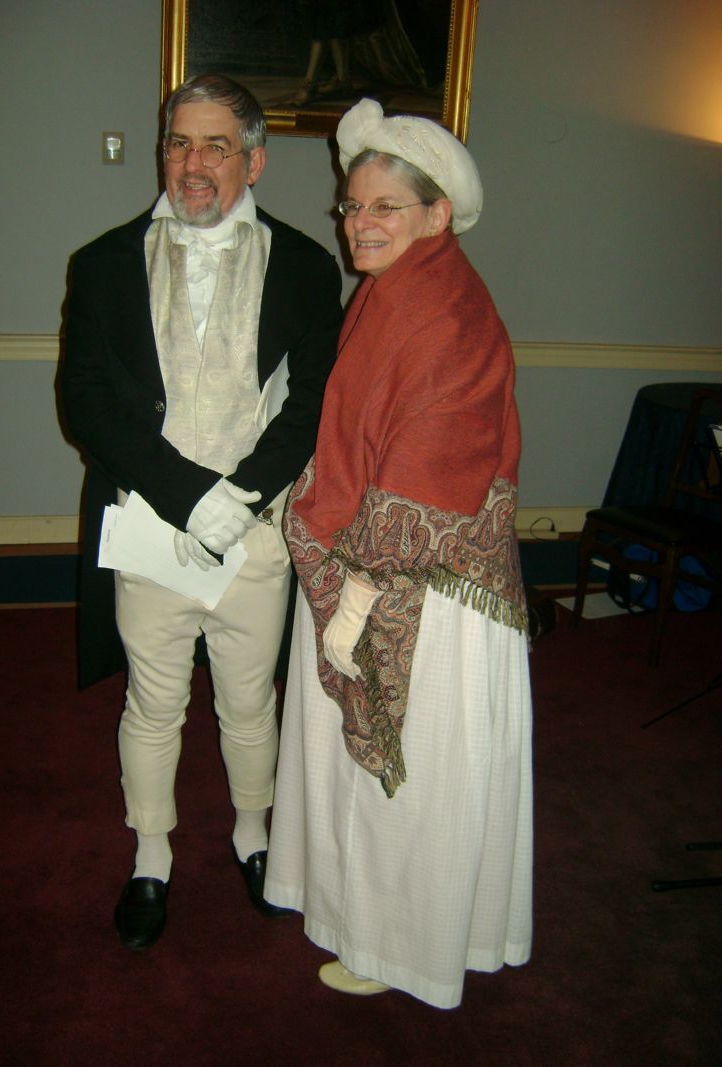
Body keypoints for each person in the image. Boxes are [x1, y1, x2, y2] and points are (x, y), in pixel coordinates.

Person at [61, 74, 342, 950]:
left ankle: (254, 838)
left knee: (250, 700)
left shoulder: (306, 264)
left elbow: (313, 403)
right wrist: (190, 496)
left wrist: (244, 495)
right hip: (151, 523)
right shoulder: (103, 262)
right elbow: (86, 400)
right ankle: (152, 855)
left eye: (216, 146)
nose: (192, 164)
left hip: (256, 532)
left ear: (254, 161)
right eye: (179, 143)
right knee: (153, 701)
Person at [264, 98, 533, 1009]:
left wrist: (357, 595)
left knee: (416, 773)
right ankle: (361, 915)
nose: (359, 224)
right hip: (377, 559)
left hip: (422, 581)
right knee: (385, 769)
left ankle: (401, 944)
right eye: (352, 205)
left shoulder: (444, 309)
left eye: (384, 206)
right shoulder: (398, 289)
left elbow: (429, 465)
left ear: (437, 213)